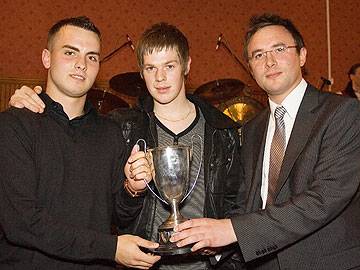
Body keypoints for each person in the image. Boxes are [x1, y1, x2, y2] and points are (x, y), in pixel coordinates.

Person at [7, 22, 244, 269]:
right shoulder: (123, 126)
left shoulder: (222, 130)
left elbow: (238, 205)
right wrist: (133, 189)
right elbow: (118, 214)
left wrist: (221, 249)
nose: (160, 77)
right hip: (142, 263)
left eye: (169, 66)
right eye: (151, 68)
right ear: (141, 72)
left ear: (187, 66)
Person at [170, 13, 360, 270]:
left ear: (302, 55)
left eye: (279, 49)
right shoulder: (251, 129)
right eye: (258, 55)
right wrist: (217, 243)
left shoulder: (342, 113)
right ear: (250, 68)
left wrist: (232, 230)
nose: (269, 61)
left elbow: (324, 198)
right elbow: (247, 201)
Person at [0, 16, 160, 270]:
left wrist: (133, 189)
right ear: (46, 58)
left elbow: (120, 216)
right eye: (70, 52)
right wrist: (110, 248)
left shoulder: (111, 132)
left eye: (92, 57)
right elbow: (21, 223)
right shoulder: (14, 125)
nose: (81, 64)